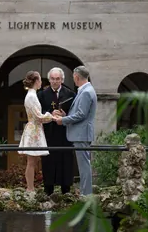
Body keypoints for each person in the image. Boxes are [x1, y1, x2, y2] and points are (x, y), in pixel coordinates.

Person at [54, 66, 97, 196]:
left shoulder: (85, 92)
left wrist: (63, 120)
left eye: (73, 77)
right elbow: (80, 113)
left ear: (77, 77)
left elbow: (81, 114)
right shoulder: (86, 90)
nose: (74, 79)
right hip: (81, 133)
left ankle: (86, 194)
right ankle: (85, 193)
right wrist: (65, 115)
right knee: (84, 165)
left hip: (81, 134)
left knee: (84, 166)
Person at [38, 67, 76, 196]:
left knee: (65, 160)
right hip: (49, 133)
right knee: (49, 161)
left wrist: (65, 115)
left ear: (62, 80)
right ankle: (48, 189)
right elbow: (38, 113)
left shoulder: (70, 94)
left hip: (65, 134)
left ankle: (66, 190)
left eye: (57, 79)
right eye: (53, 79)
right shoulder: (42, 95)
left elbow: (75, 114)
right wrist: (49, 113)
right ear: (49, 79)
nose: (55, 81)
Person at [17, 70, 54, 193]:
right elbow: (38, 117)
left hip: (34, 128)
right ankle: (30, 188)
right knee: (31, 161)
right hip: (34, 129)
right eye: (39, 80)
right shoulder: (32, 96)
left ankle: (31, 187)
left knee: (33, 161)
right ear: (37, 81)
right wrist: (52, 116)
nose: (41, 82)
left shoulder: (32, 94)